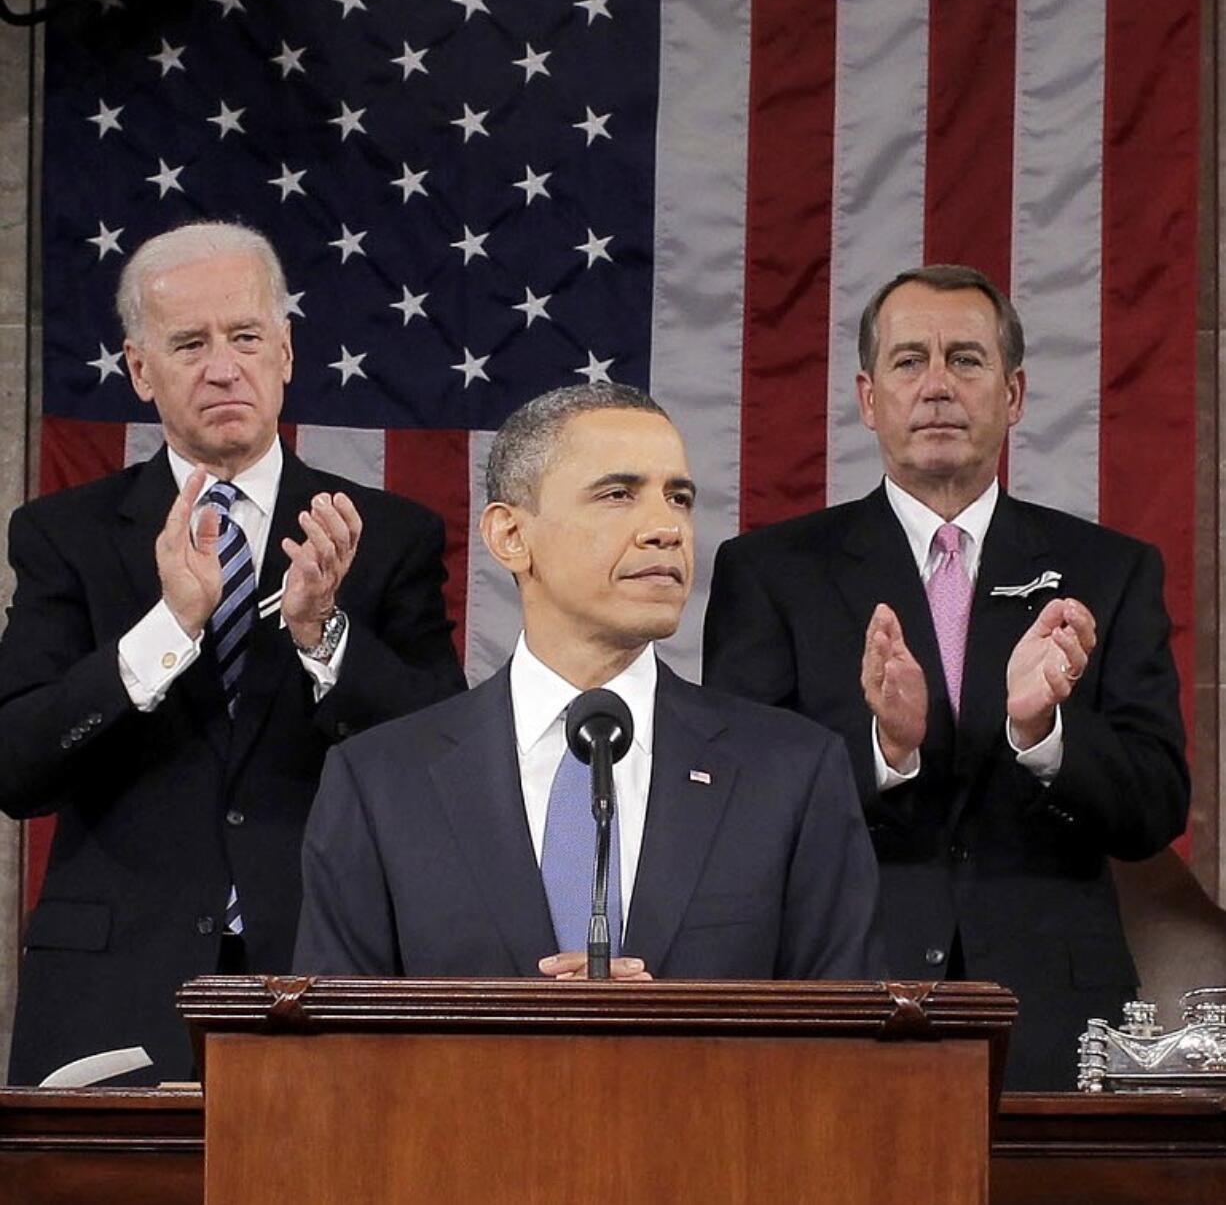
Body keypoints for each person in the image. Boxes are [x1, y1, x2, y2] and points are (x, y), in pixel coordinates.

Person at [0, 221, 466, 1084]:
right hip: (115, 985)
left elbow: (444, 763)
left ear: (285, 354)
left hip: (324, 973)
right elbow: (16, 767)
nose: (224, 366)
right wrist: (167, 631)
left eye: (246, 337)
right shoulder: (65, 537)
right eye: (190, 343)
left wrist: (325, 635)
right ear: (141, 370)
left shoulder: (383, 537)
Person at [703, 264, 1190, 1089]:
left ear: (1015, 394)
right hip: (845, 995)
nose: (936, 386)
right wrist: (884, 748)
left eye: (965, 359)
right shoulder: (772, 572)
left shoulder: (1108, 570)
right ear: (867, 399)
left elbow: (1155, 808)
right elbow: (736, 809)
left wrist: (1045, 735)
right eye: (908, 362)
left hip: (1054, 1018)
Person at [294, 384, 882, 984]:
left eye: (678, 498)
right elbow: (334, 1056)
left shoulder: (793, 773)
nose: (666, 529)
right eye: (618, 495)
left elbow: (845, 1049)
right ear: (510, 536)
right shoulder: (379, 785)